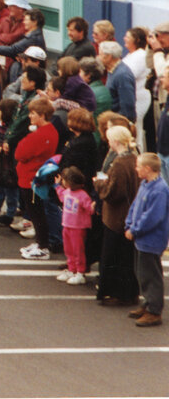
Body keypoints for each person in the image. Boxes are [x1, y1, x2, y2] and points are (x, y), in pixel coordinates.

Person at [94, 124, 141, 306]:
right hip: (128, 214)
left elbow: (113, 192)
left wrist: (99, 184)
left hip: (116, 217)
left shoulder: (120, 164)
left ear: (115, 141)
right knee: (127, 258)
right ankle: (128, 293)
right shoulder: (133, 158)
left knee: (113, 257)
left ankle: (114, 292)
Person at [125, 152, 169, 326]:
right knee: (141, 272)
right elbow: (135, 205)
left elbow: (153, 217)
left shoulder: (160, 190)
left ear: (148, 168)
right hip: (141, 238)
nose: (136, 169)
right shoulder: (145, 184)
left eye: (138, 166)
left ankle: (154, 311)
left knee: (151, 274)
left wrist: (135, 229)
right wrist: (129, 223)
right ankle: (148, 302)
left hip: (151, 239)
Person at [14, 97, 60, 260]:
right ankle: (40, 242)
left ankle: (43, 246)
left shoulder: (40, 135)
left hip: (30, 178)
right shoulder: (50, 131)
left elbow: (20, 153)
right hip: (33, 177)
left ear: (42, 115)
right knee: (36, 213)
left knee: (37, 214)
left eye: (33, 113)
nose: (30, 116)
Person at [55, 167, 94, 285]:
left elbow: (90, 209)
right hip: (67, 225)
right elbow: (61, 195)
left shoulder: (83, 195)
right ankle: (72, 269)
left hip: (78, 227)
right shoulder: (67, 192)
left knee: (78, 251)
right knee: (68, 249)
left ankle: (80, 272)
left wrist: (94, 206)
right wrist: (57, 186)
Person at [123, 27, 152, 149]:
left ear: (137, 40)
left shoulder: (140, 55)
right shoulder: (131, 55)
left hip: (139, 97)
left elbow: (130, 75)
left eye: (128, 37)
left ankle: (138, 154)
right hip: (132, 96)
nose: (124, 38)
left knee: (136, 130)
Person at [100, 41, 137, 122]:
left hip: (120, 124)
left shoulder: (122, 75)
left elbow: (127, 106)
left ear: (109, 57)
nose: (98, 57)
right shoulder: (112, 71)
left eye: (100, 55)